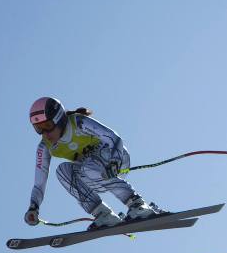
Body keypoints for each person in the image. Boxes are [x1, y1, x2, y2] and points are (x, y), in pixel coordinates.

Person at [24, 96, 159, 229]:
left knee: (88, 166)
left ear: (59, 118)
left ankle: (137, 203)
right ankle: (103, 214)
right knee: (62, 171)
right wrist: (33, 207)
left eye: (47, 125)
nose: (45, 133)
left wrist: (114, 161)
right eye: (38, 128)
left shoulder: (78, 123)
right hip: (92, 175)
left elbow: (114, 138)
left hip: (116, 159)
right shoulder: (45, 146)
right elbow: (39, 183)